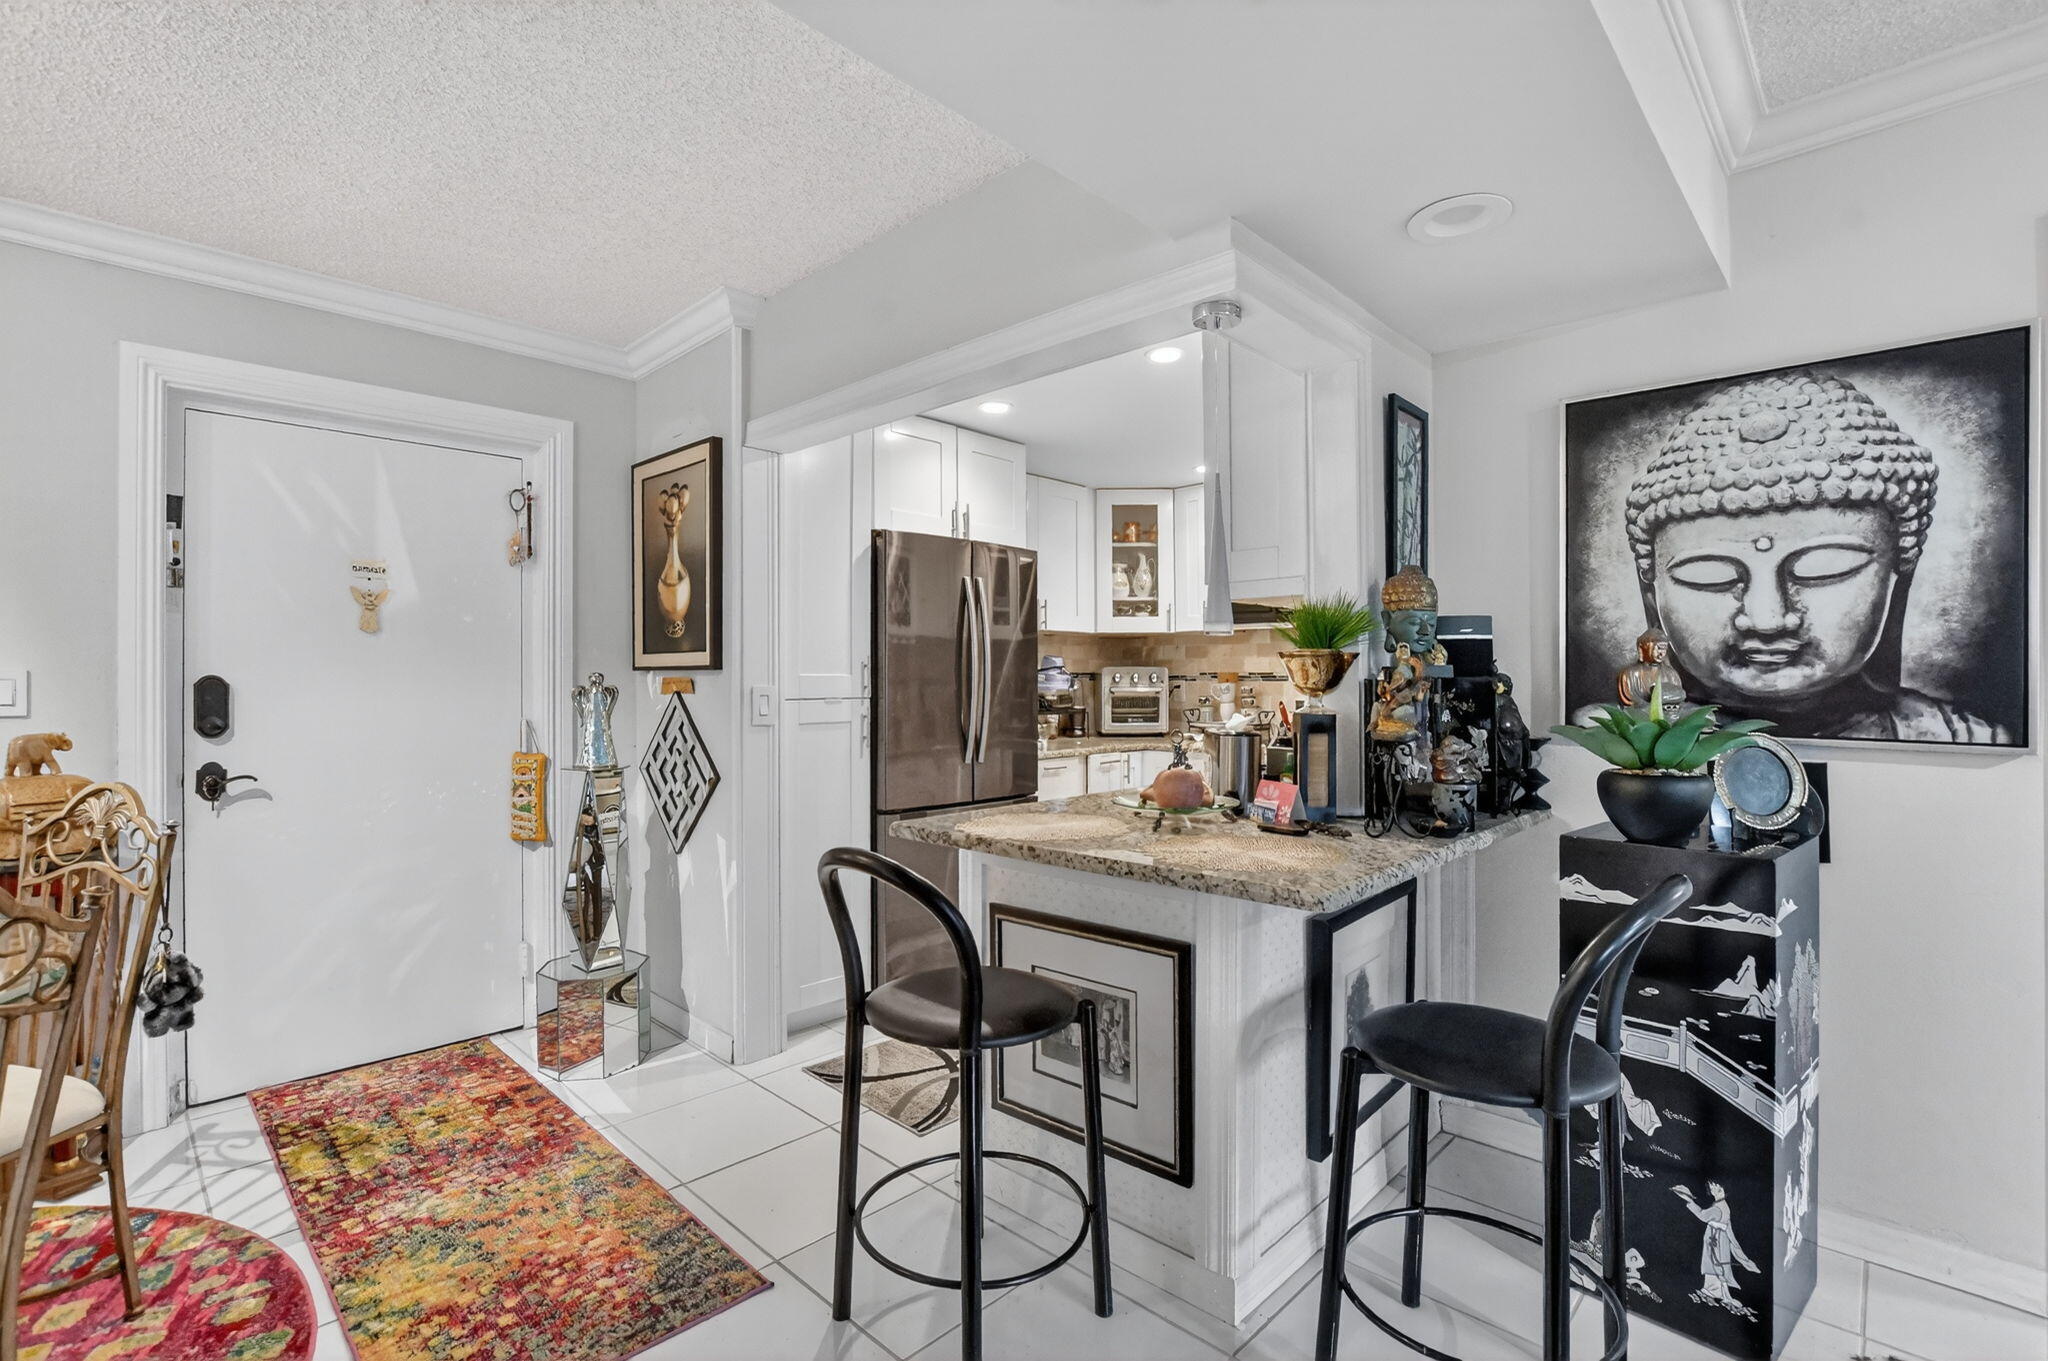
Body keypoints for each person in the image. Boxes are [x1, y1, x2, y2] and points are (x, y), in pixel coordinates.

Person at [1625, 370, 2009, 742]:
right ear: (1652, 594)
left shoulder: (1962, 736)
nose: (1767, 620)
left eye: (1822, 569)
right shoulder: (1625, 738)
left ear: (1897, 577)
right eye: (1710, 576)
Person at [1674, 1181, 1759, 1305]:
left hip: (1716, 1240)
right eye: (1713, 1187)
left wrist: (1689, 1200)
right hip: (1718, 1239)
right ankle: (1715, 1292)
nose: (1715, 1189)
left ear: (1724, 1189)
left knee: (1715, 1264)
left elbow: (1703, 1215)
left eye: (1718, 1187)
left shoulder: (1719, 1207)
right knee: (1715, 1264)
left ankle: (1719, 1294)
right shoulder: (1721, 1205)